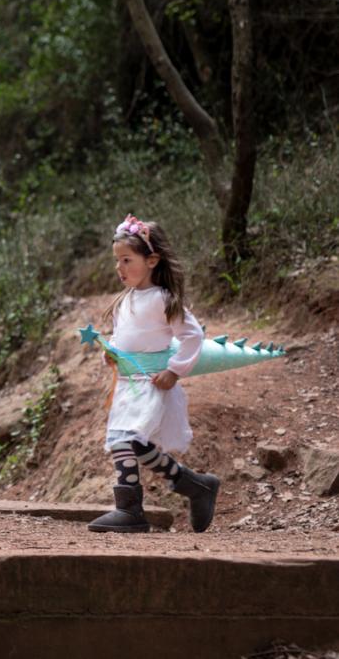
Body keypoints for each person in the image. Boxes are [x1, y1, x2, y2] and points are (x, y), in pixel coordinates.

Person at [87, 214, 220, 534]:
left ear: (151, 260)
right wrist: (112, 353)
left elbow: (193, 336)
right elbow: (124, 337)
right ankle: (196, 486)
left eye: (127, 260)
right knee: (130, 443)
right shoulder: (125, 300)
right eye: (117, 260)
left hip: (151, 383)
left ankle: (129, 509)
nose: (119, 267)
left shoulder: (163, 299)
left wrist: (175, 371)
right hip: (127, 385)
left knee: (124, 439)